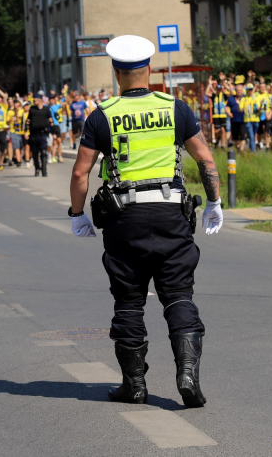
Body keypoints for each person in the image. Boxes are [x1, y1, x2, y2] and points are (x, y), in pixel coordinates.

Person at [69, 35, 222, 408]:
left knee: (129, 301)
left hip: (125, 220)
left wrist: (77, 215)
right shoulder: (176, 108)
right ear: (150, 70)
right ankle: (187, 375)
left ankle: (133, 385)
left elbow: (80, 174)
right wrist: (215, 202)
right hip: (172, 215)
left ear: (116, 73)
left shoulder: (101, 114)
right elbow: (205, 160)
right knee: (179, 296)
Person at [25, 94, 53, 177]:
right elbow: (28, 121)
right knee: (35, 153)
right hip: (33, 134)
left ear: (40, 100)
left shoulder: (46, 109)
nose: (34, 102)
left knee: (43, 152)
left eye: (35, 100)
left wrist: (53, 130)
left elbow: (50, 120)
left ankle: (44, 170)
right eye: (33, 100)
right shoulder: (32, 109)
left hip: (43, 133)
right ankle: (37, 169)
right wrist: (26, 131)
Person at [226, 78, 247, 151]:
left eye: (240, 90)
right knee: (235, 137)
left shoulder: (245, 98)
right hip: (234, 120)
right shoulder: (231, 98)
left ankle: (241, 150)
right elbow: (227, 107)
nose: (239, 92)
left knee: (243, 136)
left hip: (243, 120)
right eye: (237, 90)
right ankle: (238, 147)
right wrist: (229, 113)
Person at [9, 98, 26, 167]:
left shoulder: (22, 111)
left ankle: (18, 157)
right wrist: (11, 119)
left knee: (21, 147)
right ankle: (19, 161)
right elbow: (7, 121)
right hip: (13, 131)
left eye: (17, 103)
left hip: (22, 131)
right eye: (14, 103)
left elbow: (23, 116)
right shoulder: (10, 112)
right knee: (16, 147)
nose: (16, 104)